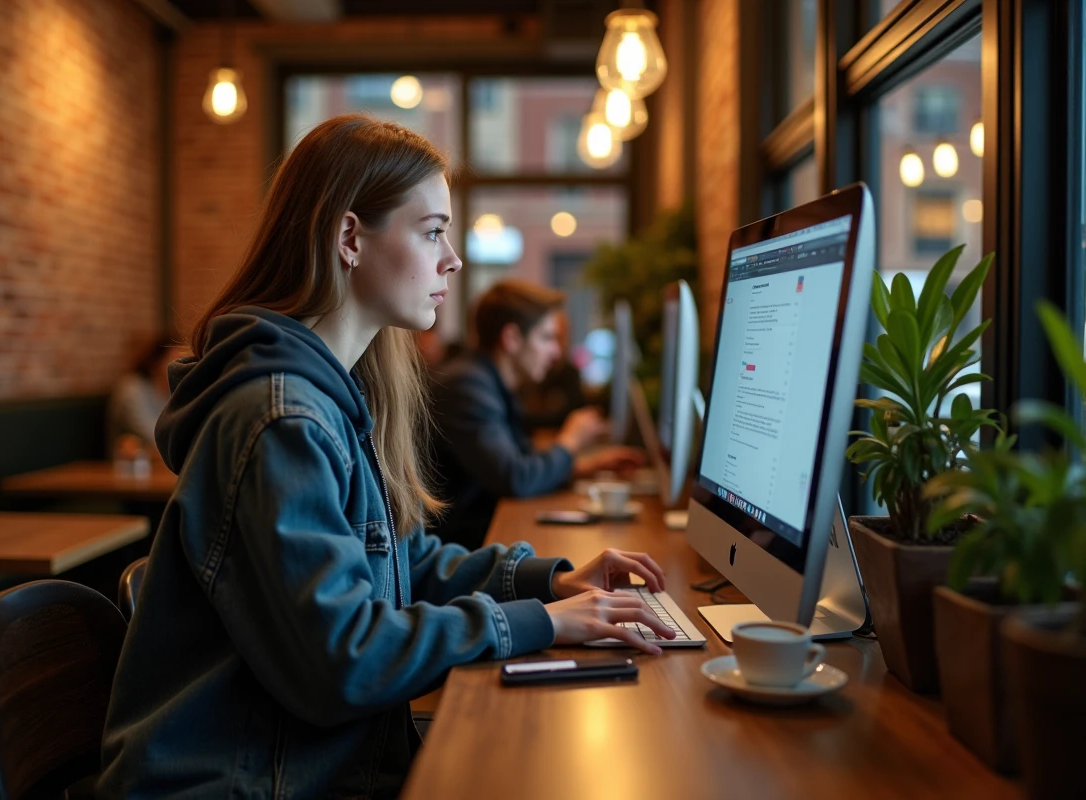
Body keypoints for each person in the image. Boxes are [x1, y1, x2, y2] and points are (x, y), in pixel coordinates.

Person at [98, 115, 675, 799]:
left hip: (311, 767)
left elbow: (400, 561)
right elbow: (344, 659)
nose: (453, 259)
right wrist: (543, 624)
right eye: (433, 231)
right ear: (349, 239)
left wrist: (548, 584)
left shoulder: (331, 393)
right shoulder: (280, 416)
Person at [429, 280, 646, 550]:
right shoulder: (468, 387)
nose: (556, 351)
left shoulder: (489, 382)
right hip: (453, 552)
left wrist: (582, 467)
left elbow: (522, 458)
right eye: (546, 337)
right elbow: (515, 478)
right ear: (512, 338)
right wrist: (570, 441)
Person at [105, 335, 181, 455]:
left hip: (162, 465)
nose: (183, 370)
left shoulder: (171, 393)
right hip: (127, 469)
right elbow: (156, 438)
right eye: (176, 362)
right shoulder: (132, 390)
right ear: (155, 363)